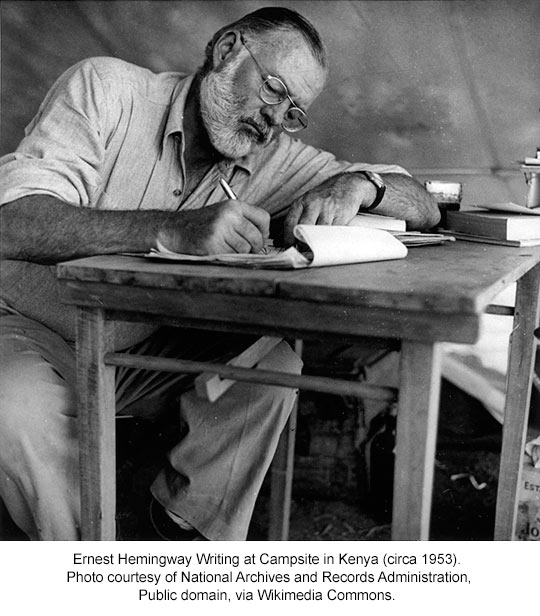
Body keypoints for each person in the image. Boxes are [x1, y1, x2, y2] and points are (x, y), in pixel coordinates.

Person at [0, 7, 439, 541]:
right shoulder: (106, 88)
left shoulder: (273, 155)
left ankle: (185, 539)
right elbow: (15, 223)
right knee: (16, 403)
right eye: (274, 90)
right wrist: (171, 230)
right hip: (29, 328)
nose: (275, 118)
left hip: (135, 354)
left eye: (294, 110)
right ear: (228, 49)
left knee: (274, 365)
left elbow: (423, 203)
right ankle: (91, 572)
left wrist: (362, 184)